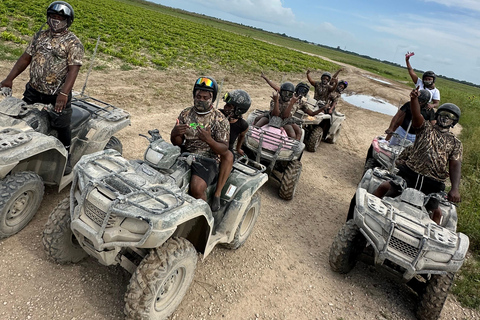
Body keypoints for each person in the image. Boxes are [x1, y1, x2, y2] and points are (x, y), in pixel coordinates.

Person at [0, 1, 84, 175]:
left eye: (60, 18)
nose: (55, 21)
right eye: (53, 17)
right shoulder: (40, 36)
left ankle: (66, 156)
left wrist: (64, 93)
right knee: (22, 117)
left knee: (62, 125)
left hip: (57, 95)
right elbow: (25, 58)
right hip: (34, 89)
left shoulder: (73, 43)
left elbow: (73, 70)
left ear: (68, 21)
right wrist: (9, 79)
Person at [373, 87, 462, 224]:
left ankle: (430, 241)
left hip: (433, 183)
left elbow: (455, 164)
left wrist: (455, 189)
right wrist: (414, 99)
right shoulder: (425, 128)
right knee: (384, 187)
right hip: (410, 174)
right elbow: (416, 116)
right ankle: (364, 216)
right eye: (443, 114)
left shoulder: (455, 143)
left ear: (454, 122)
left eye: (450, 117)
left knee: (437, 213)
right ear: (437, 115)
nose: (445, 118)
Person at [170, 76, 230, 211]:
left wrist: (209, 140)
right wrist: (175, 133)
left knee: (197, 188)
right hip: (186, 153)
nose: (201, 100)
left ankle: (204, 216)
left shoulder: (219, 119)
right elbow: (177, 142)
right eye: (198, 96)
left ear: (212, 99)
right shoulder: (186, 114)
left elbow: (224, 149)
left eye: (205, 98)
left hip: (208, 159)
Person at [212, 89, 252, 211]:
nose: (225, 107)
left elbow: (241, 137)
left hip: (226, 151)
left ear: (238, 109)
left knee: (229, 155)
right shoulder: (218, 114)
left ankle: (217, 193)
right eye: (226, 104)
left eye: (229, 105)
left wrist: (238, 149)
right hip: (212, 145)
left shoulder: (242, 125)